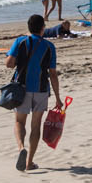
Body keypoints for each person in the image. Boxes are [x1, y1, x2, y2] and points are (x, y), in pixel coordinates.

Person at [7, 15, 61, 172]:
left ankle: (21, 148)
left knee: (19, 122)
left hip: (22, 87)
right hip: (41, 88)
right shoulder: (50, 47)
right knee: (36, 125)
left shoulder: (20, 41)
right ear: (43, 28)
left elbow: (9, 64)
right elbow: (52, 73)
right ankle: (29, 162)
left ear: (29, 27)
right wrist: (58, 97)